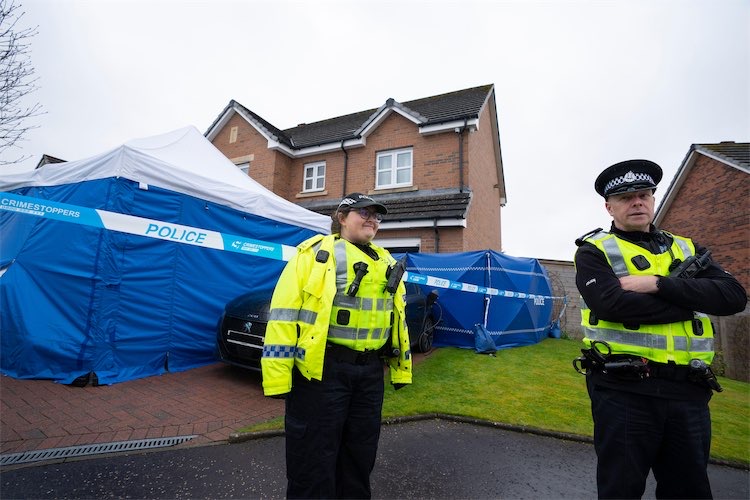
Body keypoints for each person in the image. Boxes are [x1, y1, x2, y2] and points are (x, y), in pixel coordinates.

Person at [573, 159, 747, 499]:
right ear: (609, 206)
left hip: (688, 393)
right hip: (624, 391)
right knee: (620, 488)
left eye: (643, 195)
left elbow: (733, 296)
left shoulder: (688, 248)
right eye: (625, 198)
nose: (637, 202)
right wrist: (694, 301)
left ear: (653, 199)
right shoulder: (594, 252)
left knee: (690, 490)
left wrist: (657, 284)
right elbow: (613, 305)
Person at [261, 192, 412, 499]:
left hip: (370, 373)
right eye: (363, 213)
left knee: (359, 455)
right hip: (323, 371)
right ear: (342, 218)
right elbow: (283, 315)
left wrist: (400, 369)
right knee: (313, 457)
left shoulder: (387, 261)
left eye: (376, 215)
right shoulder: (314, 254)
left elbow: (398, 320)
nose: (372, 219)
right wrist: (277, 376)